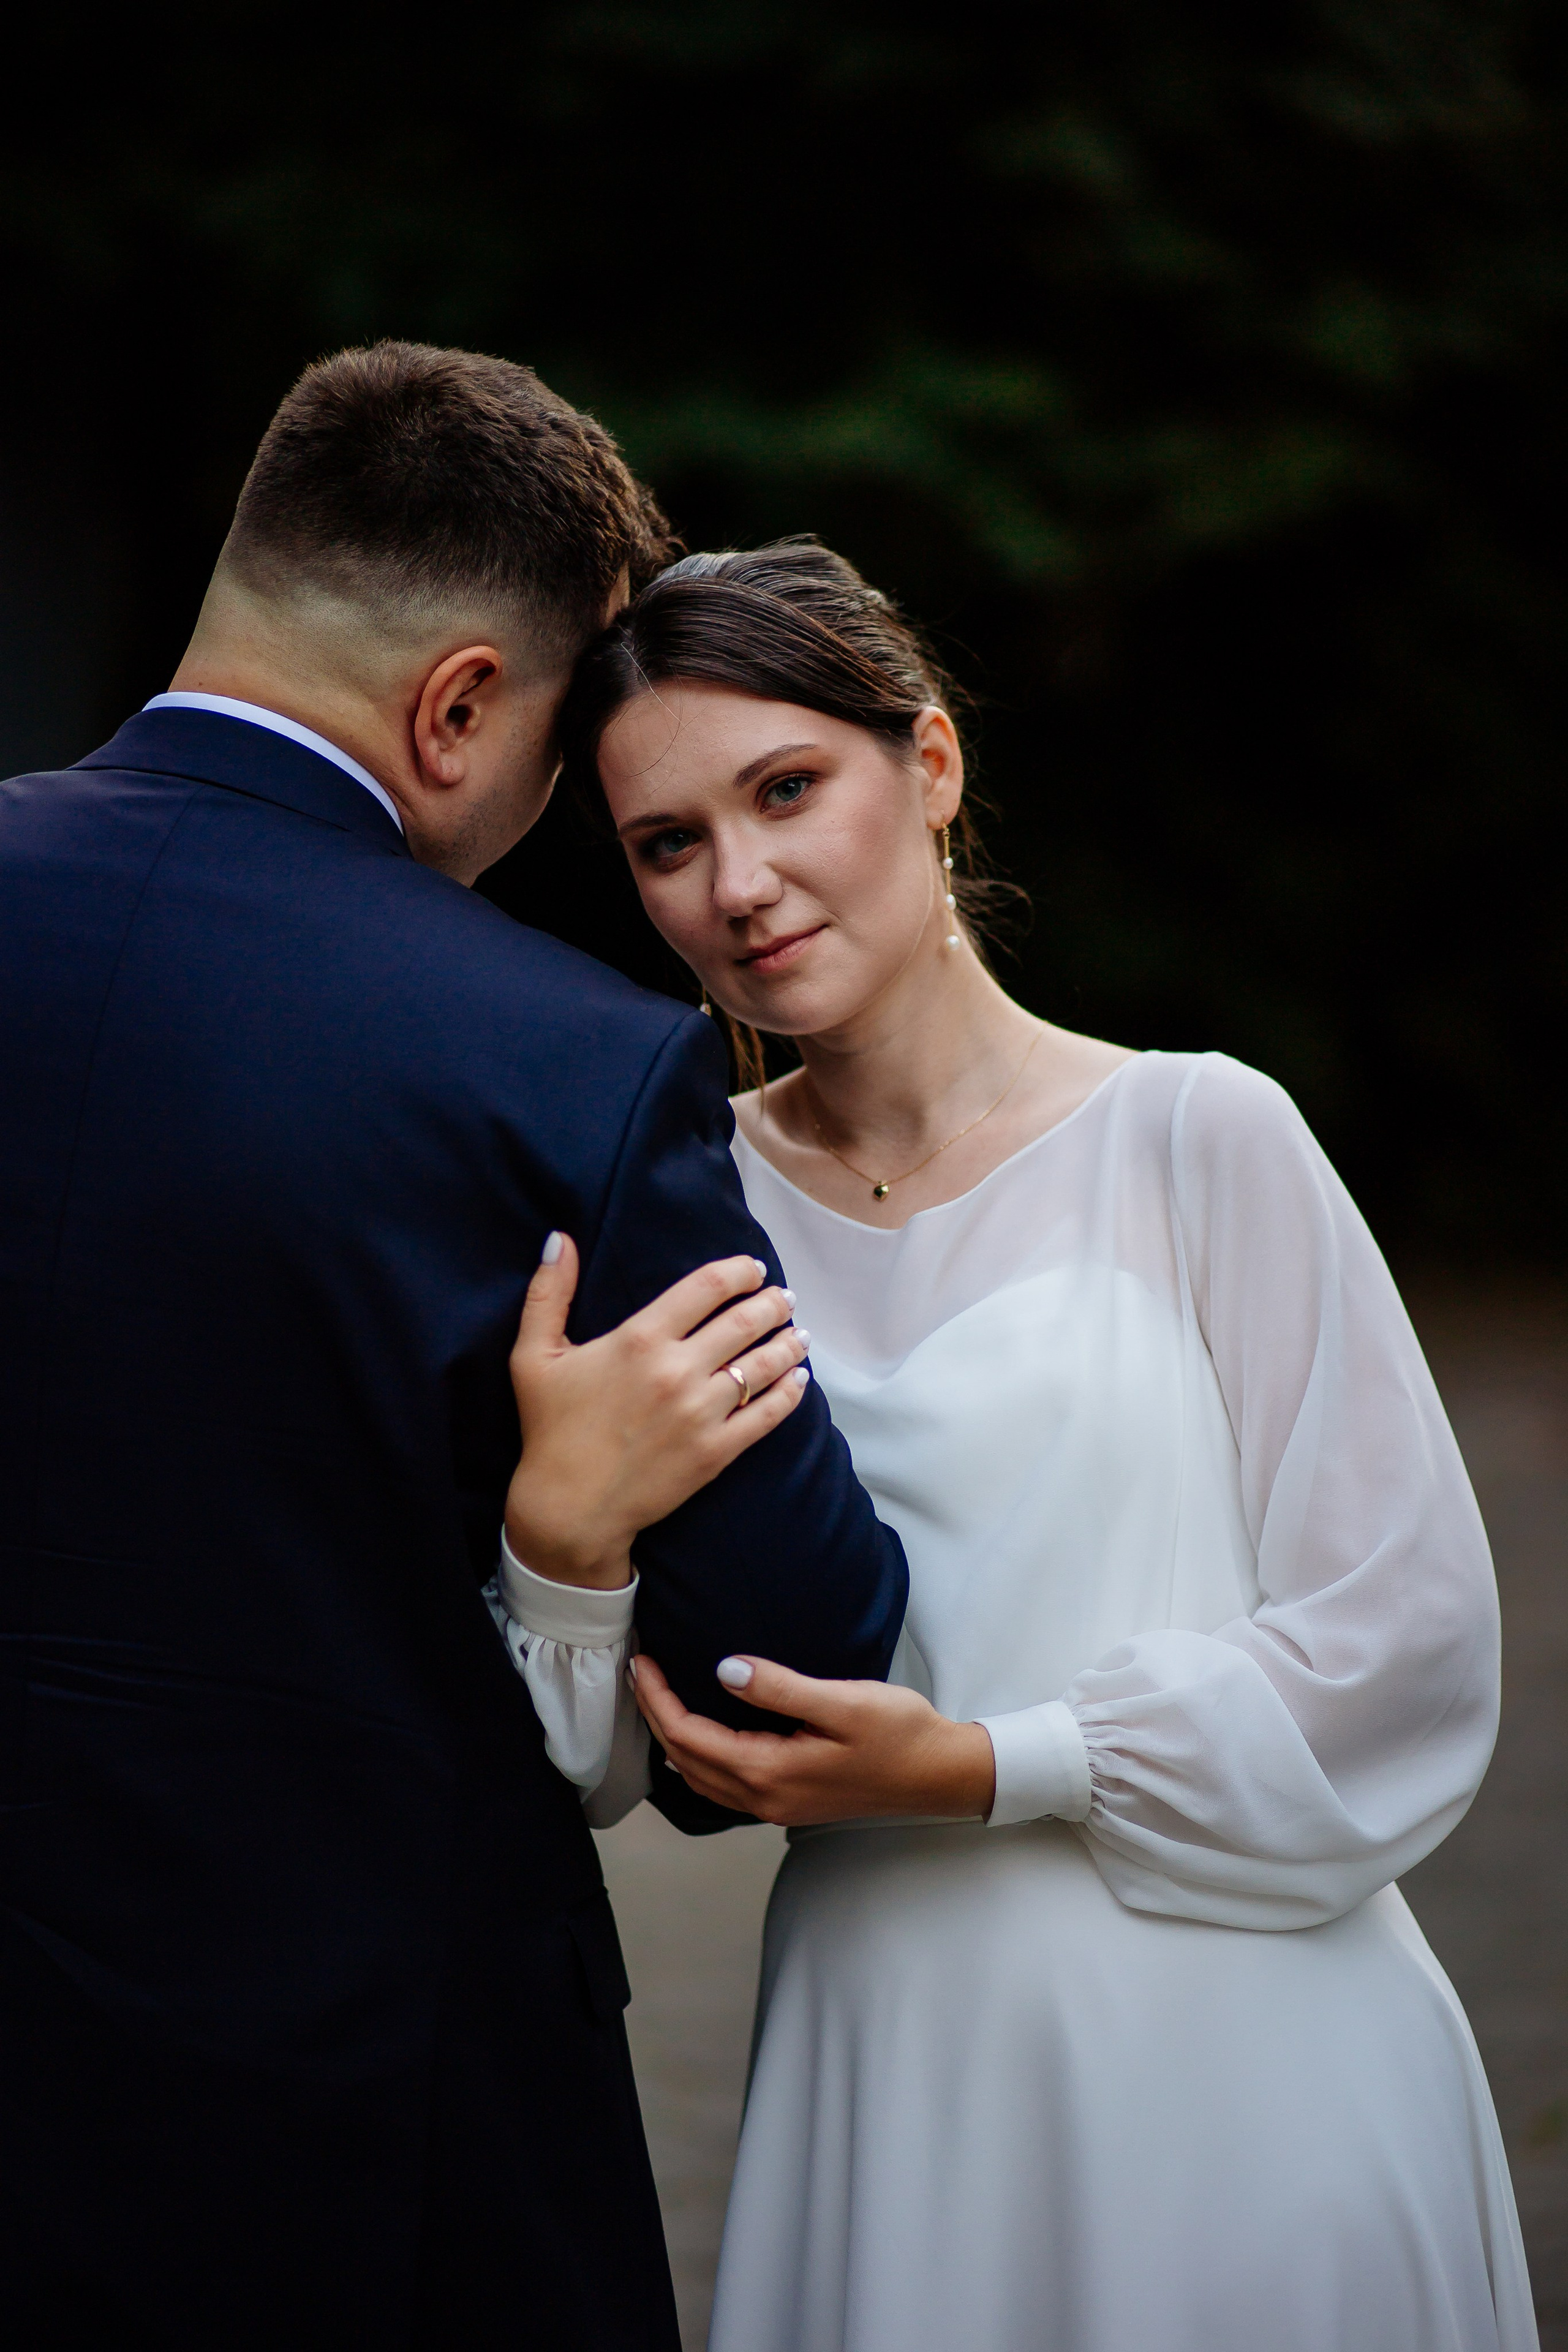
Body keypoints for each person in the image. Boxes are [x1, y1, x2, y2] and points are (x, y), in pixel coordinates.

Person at [537, 537, 1539, 2351]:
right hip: (891, 2074)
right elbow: (606, 1762)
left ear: (928, 769)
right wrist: (561, 1542)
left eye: (787, 790)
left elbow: (1410, 1651)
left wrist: (999, 1763)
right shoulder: (677, 1212)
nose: (739, 887)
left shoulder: (1201, 1138)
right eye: (667, 844)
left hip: (1248, 2062)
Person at [0, 356, 907, 2350]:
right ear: (458, 708)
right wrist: (559, 1545)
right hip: (368, 2141)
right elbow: (797, 1666)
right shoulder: (563, 1066)